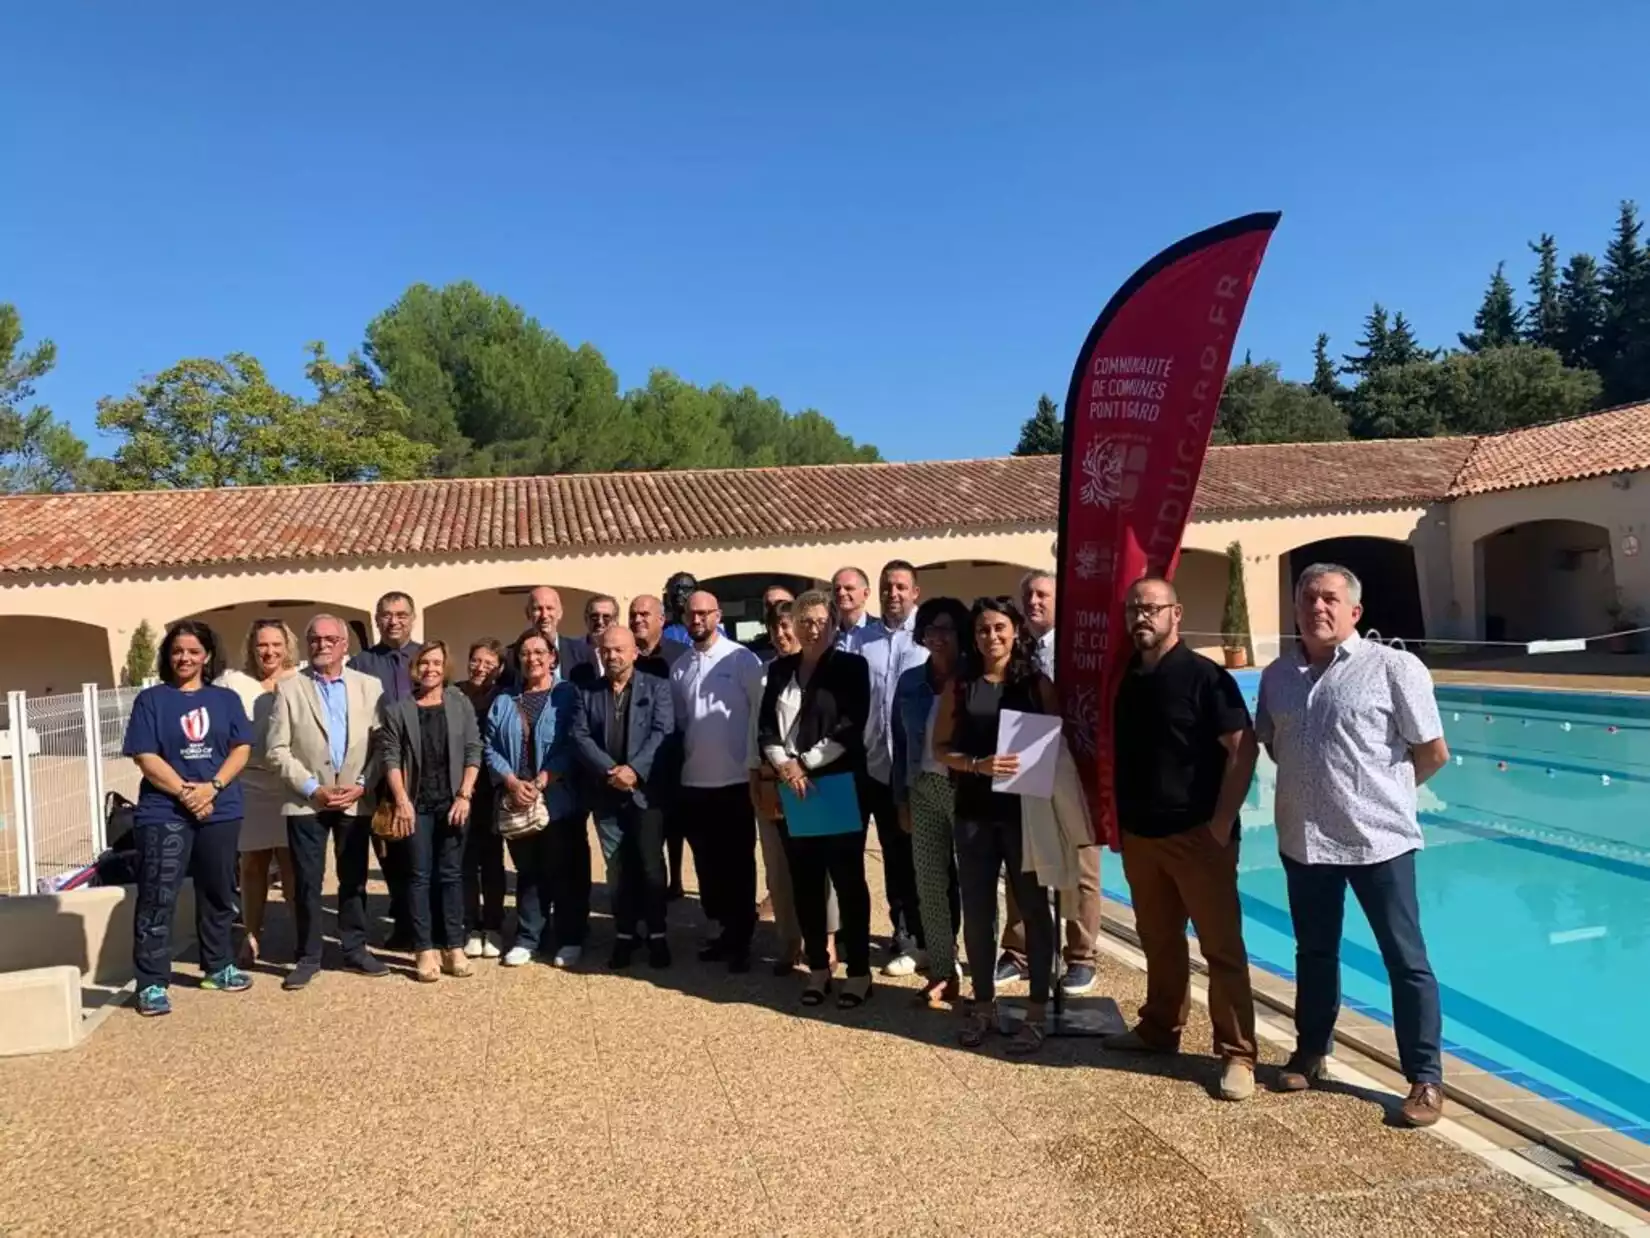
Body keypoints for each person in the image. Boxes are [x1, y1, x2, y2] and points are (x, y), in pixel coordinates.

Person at [1257, 563, 1450, 1128]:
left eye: (1330, 599)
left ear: (1354, 612)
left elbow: (1432, 751)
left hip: (1379, 843)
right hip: (1305, 842)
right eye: (1308, 598)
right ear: (1295, 609)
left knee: (1406, 961)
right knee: (1314, 954)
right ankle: (1311, 1052)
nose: (1318, 607)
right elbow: (1275, 744)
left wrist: (1386, 796)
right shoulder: (1277, 677)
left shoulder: (1393, 668)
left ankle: (1425, 1079)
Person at [1103, 577, 1260, 1103]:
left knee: (1221, 948)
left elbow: (1243, 749)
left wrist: (1219, 824)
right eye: (1134, 609)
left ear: (1176, 613)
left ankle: (1237, 1053)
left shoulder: (1206, 678)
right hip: (1143, 836)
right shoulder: (1128, 677)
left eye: (1152, 608)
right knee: (1159, 939)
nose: (1141, 617)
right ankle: (1159, 1028)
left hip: (1197, 838)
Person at [934, 596, 1058, 1056]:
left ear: (1016, 631)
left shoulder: (1036, 684)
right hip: (974, 814)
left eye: (1000, 628)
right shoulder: (961, 686)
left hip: (1025, 815)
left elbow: (1055, 748)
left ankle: (1037, 1010)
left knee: (1033, 911)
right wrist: (976, 764)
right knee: (980, 911)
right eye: (984, 629)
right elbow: (940, 748)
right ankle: (983, 1005)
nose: (992, 637)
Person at [122, 620, 254, 1016]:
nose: (185, 658)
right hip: (164, 812)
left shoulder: (225, 700)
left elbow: (241, 748)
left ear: (207, 656)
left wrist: (211, 788)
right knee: (157, 895)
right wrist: (186, 792)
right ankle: (151, 983)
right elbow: (145, 756)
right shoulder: (152, 701)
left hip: (220, 808)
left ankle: (217, 966)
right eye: (178, 651)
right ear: (168, 655)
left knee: (218, 892)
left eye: (194, 651)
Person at [758, 590, 873, 1008]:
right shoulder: (780, 669)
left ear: (833, 624)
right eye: (804, 620)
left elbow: (850, 726)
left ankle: (859, 970)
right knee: (805, 882)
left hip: (837, 784)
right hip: (794, 788)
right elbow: (766, 727)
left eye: (820, 620)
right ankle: (819, 969)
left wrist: (804, 763)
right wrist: (785, 766)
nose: (811, 627)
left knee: (847, 881)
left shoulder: (851, 667)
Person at [996, 568, 1103, 996]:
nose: (1035, 602)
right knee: (1023, 860)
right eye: (1029, 595)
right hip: (1024, 747)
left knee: (1080, 864)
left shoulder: (1079, 650)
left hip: (1074, 760)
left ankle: (1081, 956)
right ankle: (1019, 951)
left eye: (1043, 595)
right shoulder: (1015, 649)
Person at [266, 614, 387, 990]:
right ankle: (308, 955)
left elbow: (384, 745)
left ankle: (355, 948)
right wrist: (310, 788)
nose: (322, 645)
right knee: (306, 882)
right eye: (315, 639)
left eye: (330, 639)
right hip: (308, 801)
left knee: (354, 880)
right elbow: (276, 750)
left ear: (344, 645)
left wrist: (364, 785)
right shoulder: (289, 688)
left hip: (354, 798)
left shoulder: (370, 686)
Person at [670, 589, 765, 971]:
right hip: (694, 782)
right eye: (691, 614)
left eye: (704, 613)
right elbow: (680, 724)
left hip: (735, 780)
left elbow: (760, 715)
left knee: (739, 864)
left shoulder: (742, 659)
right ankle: (721, 930)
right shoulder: (680, 667)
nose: (698, 620)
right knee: (707, 865)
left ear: (718, 615)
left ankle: (742, 939)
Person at [570, 625, 675, 969]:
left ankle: (657, 934)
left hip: (645, 793)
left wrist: (635, 770)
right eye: (606, 650)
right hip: (606, 795)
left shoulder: (657, 687)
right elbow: (580, 736)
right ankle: (625, 935)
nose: (612, 656)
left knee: (650, 866)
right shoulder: (588, 692)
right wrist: (611, 771)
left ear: (634, 652)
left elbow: (663, 732)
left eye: (619, 650)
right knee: (617, 868)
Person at [379, 642, 483, 983]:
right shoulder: (399, 709)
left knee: (452, 875)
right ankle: (424, 948)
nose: (430, 669)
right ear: (415, 667)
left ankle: (454, 945)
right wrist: (401, 800)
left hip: (453, 802)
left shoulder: (459, 702)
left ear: (445, 666)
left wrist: (465, 794)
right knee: (419, 876)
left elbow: (473, 749)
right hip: (416, 805)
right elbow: (391, 758)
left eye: (437, 662)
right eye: (424, 662)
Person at [748, 599, 840, 974]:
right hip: (773, 779)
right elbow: (754, 728)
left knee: (822, 870)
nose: (783, 635)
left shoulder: (828, 670)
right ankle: (790, 940)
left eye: (789, 627)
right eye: (777, 629)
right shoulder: (763, 675)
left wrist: (803, 764)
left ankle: (828, 941)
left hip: (819, 778)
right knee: (779, 867)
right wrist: (754, 772)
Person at [484, 631, 584, 968]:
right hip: (517, 799)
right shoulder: (504, 701)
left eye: (539, 652)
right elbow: (490, 747)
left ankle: (569, 937)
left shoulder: (567, 694)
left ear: (553, 657)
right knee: (528, 871)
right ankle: (529, 937)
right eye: (525, 653)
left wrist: (544, 778)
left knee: (562, 870)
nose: (533, 659)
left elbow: (574, 741)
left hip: (557, 799)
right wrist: (511, 781)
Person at [891, 597, 970, 1008]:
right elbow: (900, 745)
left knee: (974, 887)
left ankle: (985, 978)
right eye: (930, 630)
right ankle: (943, 970)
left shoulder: (976, 680)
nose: (936, 638)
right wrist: (901, 798)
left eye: (945, 630)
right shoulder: (908, 683)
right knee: (930, 886)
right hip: (922, 790)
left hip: (968, 792)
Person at [857, 560, 932, 977]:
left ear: (915, 592)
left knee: (925, 858)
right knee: (893, 857)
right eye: (888, 586)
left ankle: (934, 939)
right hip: (876, 767)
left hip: (918, 769)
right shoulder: (864, 641)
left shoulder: (926, 639)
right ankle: (904, 937)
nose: (894, 594)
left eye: (901, 587)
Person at [217, 618, 299, 968]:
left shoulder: (301, 680)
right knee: (252, 864)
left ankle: (302, 935)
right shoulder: (233, 683)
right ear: (252, 646)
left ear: (287, 646)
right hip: (249, 782)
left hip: (289, 782)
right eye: (263, 644)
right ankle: (251, 934)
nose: (269, 651)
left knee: (293, 864)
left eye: (276, 644)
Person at [350, 591, 422, 952]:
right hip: (380, 768)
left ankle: (428, 920)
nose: (394, 621)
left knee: (422, 848)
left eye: (401, 614)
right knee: (390, 846)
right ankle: (405, 920)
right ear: (377, 620)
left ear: (413, 617)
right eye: (387, 615)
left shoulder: (426, 658)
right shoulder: (361, 664)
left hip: (423, 768)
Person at [457, 639, 507, 958]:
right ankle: (470, 924)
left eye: (489, 663)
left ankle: (493, 925)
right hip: (459, 788)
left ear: (500, 668)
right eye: (476, 660)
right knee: (463, 860)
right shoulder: (454, 693)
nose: (480, 667)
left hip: (490, 788)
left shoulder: (502, 698)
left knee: (491, 859)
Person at [503, 586, 597, 688]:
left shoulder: (582, 653)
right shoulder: (511, 656)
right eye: (537, 609)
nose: (544, 615)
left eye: (549, 608)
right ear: (528, 613)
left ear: (560, 613)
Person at [629, 593, 690, 677]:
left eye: (644, 614)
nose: (637, 620)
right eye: (632, 615)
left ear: (661, 619)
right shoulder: (624, 655)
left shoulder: (682, 655)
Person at [573, 595, 620, 688]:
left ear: (615, 620)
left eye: (606, 617)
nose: (600, 622)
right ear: (586, 619)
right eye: (594, 616)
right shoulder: (571, 651)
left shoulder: (624, 651)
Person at [746, 584, 796, 664]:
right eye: (768, 605)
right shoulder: (751, 652)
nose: (774, 609)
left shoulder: (815, 652)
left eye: (780, 603)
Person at [830, 567, 872, 651]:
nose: (841, 593)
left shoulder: (881, 632)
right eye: (837, 589)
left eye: (849, 588)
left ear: (866, 593)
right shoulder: (828, 633)